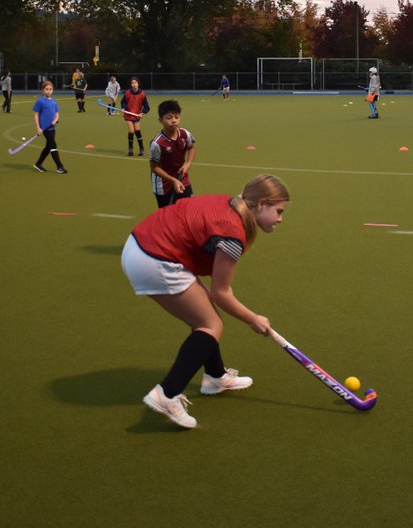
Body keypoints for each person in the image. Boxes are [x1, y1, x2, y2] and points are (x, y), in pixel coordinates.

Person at [122, 174, 290, 429]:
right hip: (154, 257)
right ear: (262, 204)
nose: (280, 218)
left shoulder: (231, 205)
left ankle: (215, 377)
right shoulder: (233, 234)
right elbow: (220, 293)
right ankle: (167, 394)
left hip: (142, 245)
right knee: (211, 325)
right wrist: (253, 319)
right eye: (278, 211)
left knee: (204, 317)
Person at [150, 100, 196, 208]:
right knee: (167, 217)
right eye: (169, 118)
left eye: (176, 117)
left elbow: (191, 148)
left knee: (187, 209)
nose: (173, 121)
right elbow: (154, 168)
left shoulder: (185, 134)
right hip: (163, 184)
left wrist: (188, 164)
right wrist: (173, 180)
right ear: (160, 120)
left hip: (182, 178)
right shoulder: (157, 143)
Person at [32, 80, 67, 174]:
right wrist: (38, 128)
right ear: (43, 90)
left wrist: (55, 120)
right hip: (45, 128)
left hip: (52, 128)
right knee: (53, 146)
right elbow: (36, 115)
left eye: (50, 89)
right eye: (46, 89)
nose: (48, 91)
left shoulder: (54, 101)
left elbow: (57, 113)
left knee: (48, 146)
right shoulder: (40, 101)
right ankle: (60, 167)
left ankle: (38, 164)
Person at [122, 77, 151, 156]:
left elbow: (147, 107)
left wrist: (142, 113)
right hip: (128, 115)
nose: (134, 84)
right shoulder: (127, 93)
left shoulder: (142, 94)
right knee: (131, 131)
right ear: (131, 84)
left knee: (137, 131)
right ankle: (130, 149)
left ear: (138, 84)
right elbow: (123, 102)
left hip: (137, 116)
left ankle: (141, 149)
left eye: (135, 82)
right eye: (132, 83)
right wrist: (123, 108)